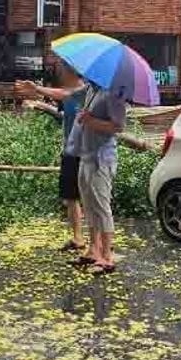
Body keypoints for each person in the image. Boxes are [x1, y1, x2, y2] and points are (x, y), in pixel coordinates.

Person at [16, 65, 87, 252]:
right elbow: (63, 102)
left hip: (85, 152)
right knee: (70, 197)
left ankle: (97, 246)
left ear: (71, 72)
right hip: (70, 151)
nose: (60, 73)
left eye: (63, 69)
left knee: (87, 198)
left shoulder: (84, 92)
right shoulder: (71, 92)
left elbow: (64, 94)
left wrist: (37, 92)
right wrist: (39, 98)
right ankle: (78, 238)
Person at [71, 83, 127, 275]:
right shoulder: (91, 89)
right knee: (89, 206)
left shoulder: (114, 93)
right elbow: (67, 94)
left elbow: (118, 126)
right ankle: (94, 249)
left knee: (102, 207)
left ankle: (107, 256)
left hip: (101, 159)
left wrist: (90, 121)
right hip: (86, 156)